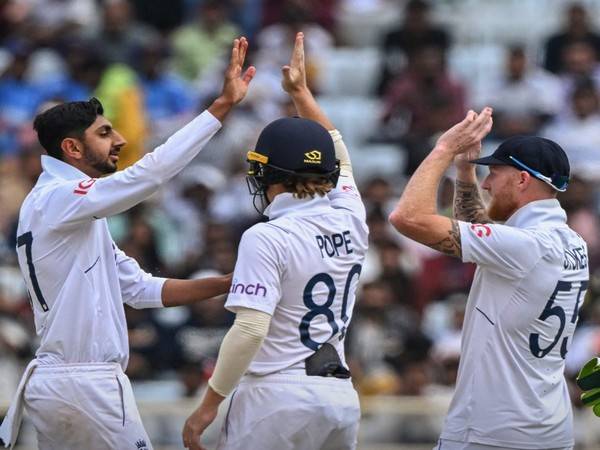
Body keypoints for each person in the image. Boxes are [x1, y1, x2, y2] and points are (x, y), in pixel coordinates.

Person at [0, 37, 256, 450]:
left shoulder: (68, 212)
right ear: (72, 148)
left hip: (58, 384)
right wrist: (221, 106)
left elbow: (141, 290)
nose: (119, 139)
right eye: (105, 132)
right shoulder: (59, 198)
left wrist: (229, 281)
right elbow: (149, 176)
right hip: (87, 385)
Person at [182, 32, 368, 450]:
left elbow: (249, 329)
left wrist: (209, 405)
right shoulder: (353, 217)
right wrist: (302, 93)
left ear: (273, 176)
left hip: (276, 398)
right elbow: (340, 156)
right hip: (339, 398)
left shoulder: (267, 236)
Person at [388, 110, 589, 450]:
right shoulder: (571, 242)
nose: (486, 184)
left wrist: (443, 149)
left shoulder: (526, 245)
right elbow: (485, 234)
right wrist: (464, 168)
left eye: (494, 173)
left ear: (523, 180)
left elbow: (407, 218)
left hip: (492, 431)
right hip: (550, 426)